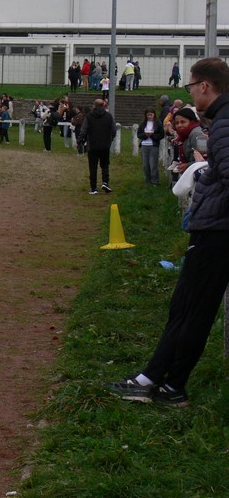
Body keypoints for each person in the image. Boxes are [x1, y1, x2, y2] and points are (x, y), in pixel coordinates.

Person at [106, 57, 229, 407]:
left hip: (216, 233)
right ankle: (166, 381)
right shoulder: (221, 121)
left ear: (204, 86)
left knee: (188, 309)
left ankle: (162, 382)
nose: (190, 94)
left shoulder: (223, 124)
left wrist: (205, 178)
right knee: (191, 309)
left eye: (191, 87)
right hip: (217, 230)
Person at [80, 99, 116, 195]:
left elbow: (84, 130)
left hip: (92, 145)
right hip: (105, 145)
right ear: (103, 105)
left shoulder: (89, 116)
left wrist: (80, 140)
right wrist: (110, 139)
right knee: (105, 165)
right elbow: (113, 130)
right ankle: (105, 182)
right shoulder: (108, 116)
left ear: (94, 105)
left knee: (93, 167)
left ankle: (93, 188)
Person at [137, 108, 163, 186]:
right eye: (148, 115)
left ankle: (155, 181)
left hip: (153, 145)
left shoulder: (158, 123)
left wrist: (152, 135)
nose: (149, 116)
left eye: (151, 115)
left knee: (153, 164)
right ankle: (148, 181)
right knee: (145, 165)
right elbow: (139, 134)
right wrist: (145, 135)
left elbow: (161, 135)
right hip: (144, 145)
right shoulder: (143, 123)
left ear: (154, 114)